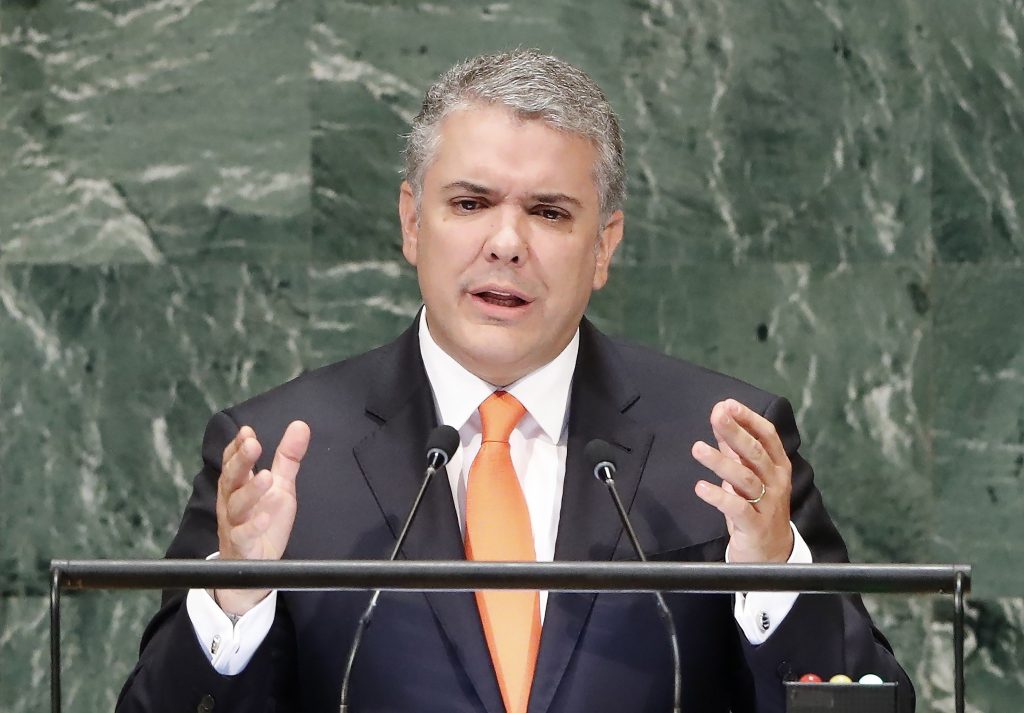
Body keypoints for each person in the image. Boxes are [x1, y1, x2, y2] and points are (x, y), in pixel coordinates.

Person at [116, 49, 914, 713]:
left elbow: (871, 705)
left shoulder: (722, 446)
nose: (506, 242)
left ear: (604, 246)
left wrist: (774, 573)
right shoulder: (279, 457)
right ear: (411, 222)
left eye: (550, 212)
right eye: (470, 203)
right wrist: (236, 600)